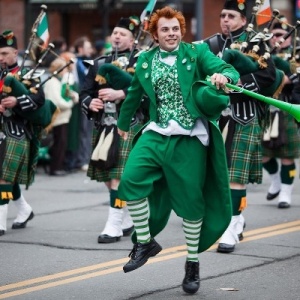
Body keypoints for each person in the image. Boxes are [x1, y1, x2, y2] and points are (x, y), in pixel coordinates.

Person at [116, 6, 239, 294]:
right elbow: (134, 94)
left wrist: (224, 78)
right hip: (156, 132)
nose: (172, 34)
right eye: (165, 30)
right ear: (155, 34)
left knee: (190, 205)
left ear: (181, 30)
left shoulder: (195, 53)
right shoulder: (145, 60)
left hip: (189, 137)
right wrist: (123, 123)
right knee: (130, 180)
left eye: (175, 29)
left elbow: (228, 70)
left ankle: (192, 263)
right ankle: (145, 242)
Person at [202, 0, 279, 253]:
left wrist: (236, 85)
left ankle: (231, 226)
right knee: (216, 175)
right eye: (223, 15)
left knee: (234, 176)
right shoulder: (210, 44)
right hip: (215, 117)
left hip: (243, 115)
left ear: (243, 20)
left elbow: (269, 77)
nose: (225, 19)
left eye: (231, 16)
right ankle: (234, 220)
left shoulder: (256, 42)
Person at [79, 16, 145, 243]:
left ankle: (114, 224)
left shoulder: (142, 61)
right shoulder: (99, 63)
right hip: (104, 124)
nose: (117, 36)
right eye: (115, 32)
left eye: (123, 34)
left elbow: (148, 92)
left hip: (129, 124)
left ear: (132, 39)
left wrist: (122, 94)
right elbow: (84, 92)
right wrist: (90, 103)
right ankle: (124, 217)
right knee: (109, 175)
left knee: (118, 176)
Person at [0, 30, 54, 236]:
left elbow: (38, 101)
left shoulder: (29, 74)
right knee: (6, 178)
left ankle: (0, 221)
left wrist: (16, 102)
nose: (1, 58)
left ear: (15, 52)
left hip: (17, 131)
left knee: (4, 176)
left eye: (5, 53)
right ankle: (24, 209)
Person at [261, 15, 300, 209]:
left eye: (283, 35)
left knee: (287, 155)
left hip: (287, 108)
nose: (279, 39)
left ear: (290, 38)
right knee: (263, 154)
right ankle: (275, 181)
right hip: (266, 109)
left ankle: (285, 192)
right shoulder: (261, 55)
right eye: (275, 35)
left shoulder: (296, 57)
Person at [43, 57, 79, 176]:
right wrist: (70, 103)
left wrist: (72, 96)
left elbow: (65, 94)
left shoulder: (57, 81)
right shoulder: (52, 82)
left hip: (62, 117)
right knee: (59, 142)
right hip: (57, 117)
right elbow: (57, 101)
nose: (65, 71)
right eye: (63, 69)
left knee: (61, 142)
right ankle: (55, 167)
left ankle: (58, 166)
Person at [72, 36, 94, 172]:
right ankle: (82, 159)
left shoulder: (88, 61)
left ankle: (88, 157)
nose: (90, 50)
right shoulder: (76, 62)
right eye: (87, 47)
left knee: (89, 130)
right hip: (81, 99)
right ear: (80, 49)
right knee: (83, 131)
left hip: (91, 99)